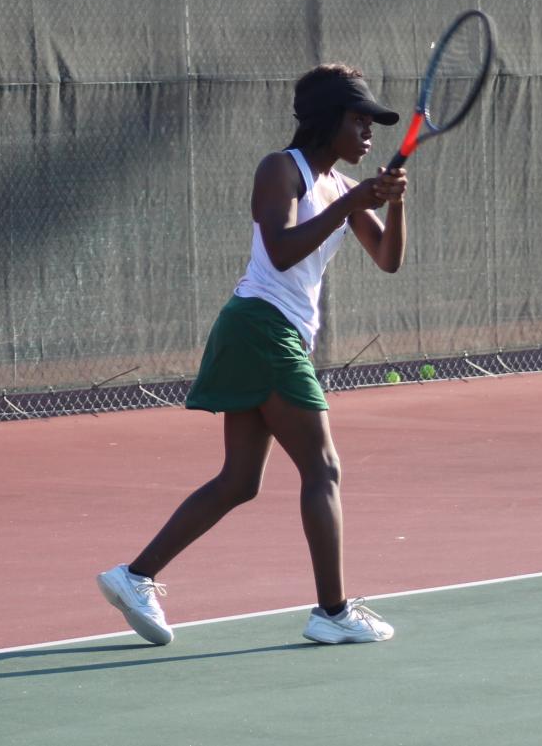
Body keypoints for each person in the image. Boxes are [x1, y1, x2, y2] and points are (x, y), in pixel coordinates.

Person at [98, 64, 408, 646]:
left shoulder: (341, 189)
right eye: (359, 120)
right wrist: (354, 202)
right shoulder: (280, 169)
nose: (369, 134)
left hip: (264, 334)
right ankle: (333, 612)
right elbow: (282, 249)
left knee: (240, 481)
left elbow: (388, 259)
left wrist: (391, 201)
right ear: (326, 121)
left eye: (373, 124)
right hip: (263, 327)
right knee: (324, 470)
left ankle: (134, 576)